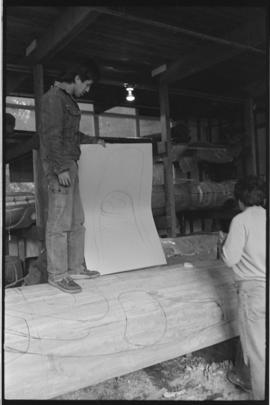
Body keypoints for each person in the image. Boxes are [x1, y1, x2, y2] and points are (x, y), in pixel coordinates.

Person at [39, 61, 106, 294]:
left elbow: (72, 135)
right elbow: (51, 136)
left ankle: (75, 267)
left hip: (71, 163)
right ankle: (57, 275)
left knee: (77, 220)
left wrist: (94, 141)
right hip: (62, 166)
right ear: (77, 78)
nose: (87, 90)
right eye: (86, 84)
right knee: (58, 223)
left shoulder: (67, 100)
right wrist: (59, 169)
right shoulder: (53, 98)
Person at [218, 176, 266, 400]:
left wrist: (222, 242)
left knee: (257, 354)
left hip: (253, 293)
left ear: (240, 201)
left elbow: (230, 258)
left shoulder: (241, 220)